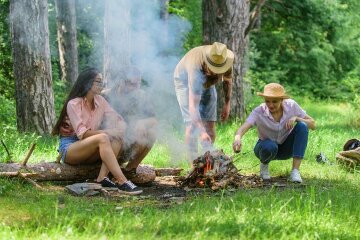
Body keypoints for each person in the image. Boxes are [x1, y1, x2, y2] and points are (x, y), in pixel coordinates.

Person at [52, 67, 142, 195]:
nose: (102, 85)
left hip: (91, 148)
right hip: (71, 148)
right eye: (98, 82)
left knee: (116, 139)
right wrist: (109, 131)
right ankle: (122, 181)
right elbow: (83, 134)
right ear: (88, 83)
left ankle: (101, 178)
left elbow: (118, 119)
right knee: (104, 137)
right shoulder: (73, 104)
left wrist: (121, 128)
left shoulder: (100, 100)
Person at [232, 83, 316, 183]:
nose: (270, 105)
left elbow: (313, 125)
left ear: (282, 100)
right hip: (266, 148)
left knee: (302, 126)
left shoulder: (292, 106)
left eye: (275, 101)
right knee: (270, 146)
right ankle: (264, 165)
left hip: (286, 149)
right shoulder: (259, 111)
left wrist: (297, 118)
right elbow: (243, 127)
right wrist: (237, 139)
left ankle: (295, 171)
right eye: (267, 101)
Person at [174, 42, 235, 162]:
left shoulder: (226, 61)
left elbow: (227, 81)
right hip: (185, 81)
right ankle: (194, 165)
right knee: (192, 125)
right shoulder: (195, 66)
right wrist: (201, 132)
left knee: (210, 127)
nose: (216, 72)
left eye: (218, 70)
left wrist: (227, 104)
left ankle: (206, 161)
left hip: (207, 83)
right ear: (207, 63)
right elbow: (193, 106)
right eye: (213, 69)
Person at [103, 66, 157, 180]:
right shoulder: (105, 96)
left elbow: (154, 120)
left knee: (152, 133)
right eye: (133, 84)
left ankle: (129, 171)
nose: (137, 88)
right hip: (108, 146)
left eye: (139, 83)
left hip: (128, 146)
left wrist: (142, 122)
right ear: (121, 82)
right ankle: (108, 171)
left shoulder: (141, 96)